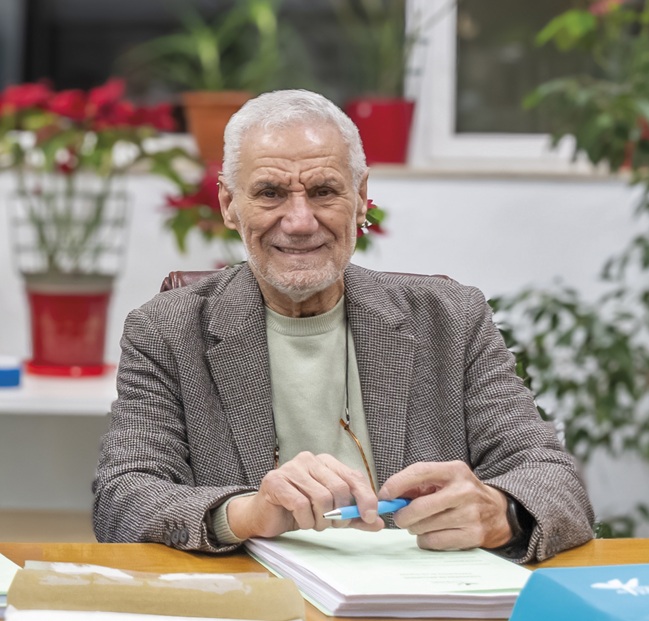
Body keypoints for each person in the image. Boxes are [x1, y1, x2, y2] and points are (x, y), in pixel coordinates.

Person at [93, 89, 594, 562]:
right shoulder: (165, 330)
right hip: (254, 598)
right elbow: (122, 499)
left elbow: (554, 481)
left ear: (360, 197)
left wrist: (500, 514)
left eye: (323, 191)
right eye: (270, 193)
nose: (299, 221)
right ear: (229, 204)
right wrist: (247, 513)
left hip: (420, 599)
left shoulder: (451, 320)